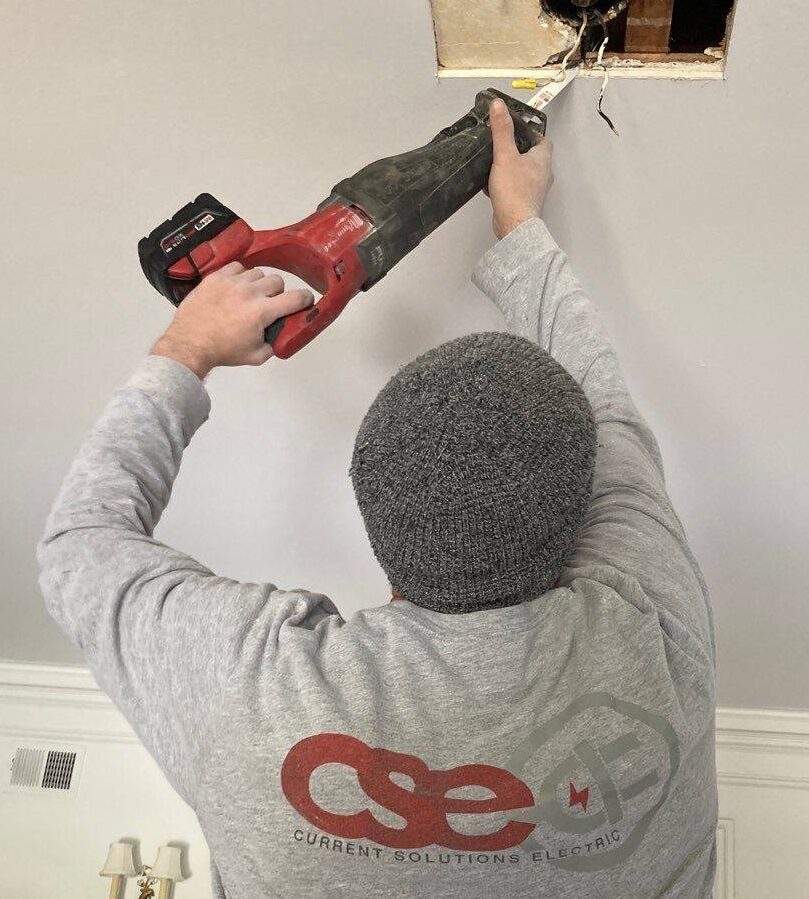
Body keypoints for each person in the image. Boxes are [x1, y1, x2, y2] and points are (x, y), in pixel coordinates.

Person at [38, 99, 717, 898]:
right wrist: (519, 222)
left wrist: (187, 347)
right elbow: (607, 409)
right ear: (585, 517)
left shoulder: (252, 694)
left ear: (369, 516)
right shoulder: (655, 636)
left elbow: (79, 544)